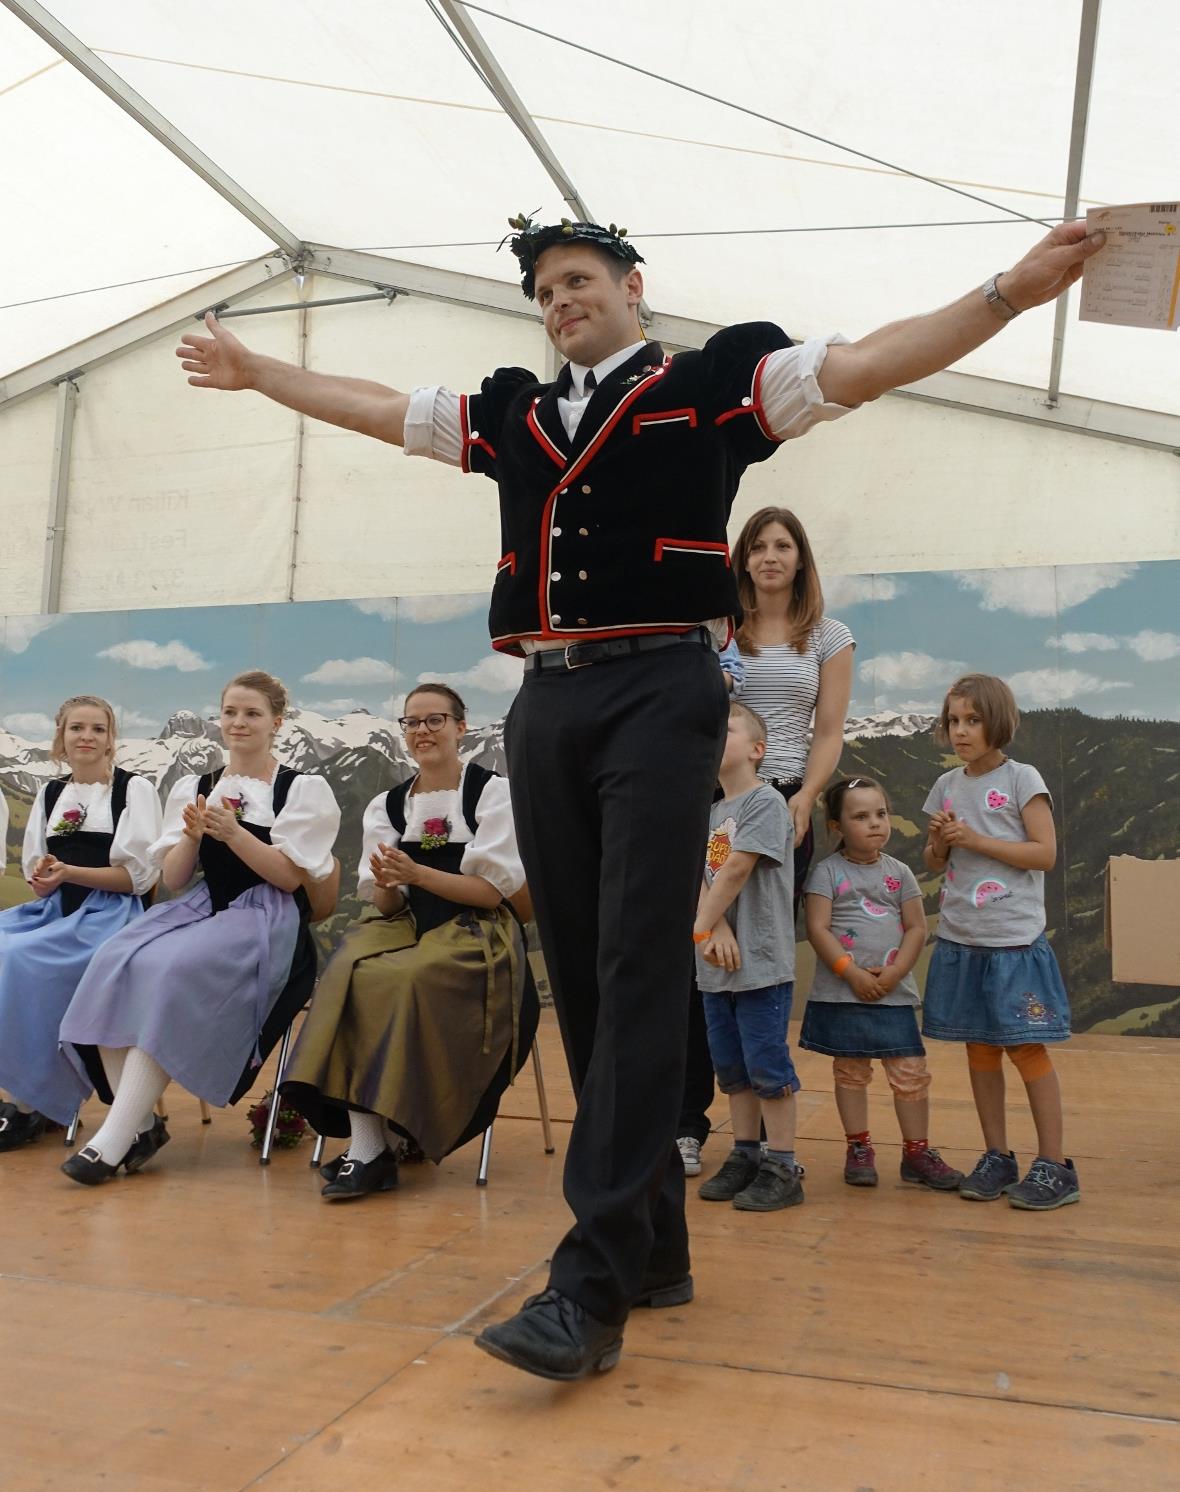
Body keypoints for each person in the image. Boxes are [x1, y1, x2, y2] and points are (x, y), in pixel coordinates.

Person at [178, 213, 1103, 1379]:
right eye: (545, 290)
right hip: (546, 701)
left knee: (635, 966)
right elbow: (379, 407)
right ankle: (656, 1246)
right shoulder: (514, 411)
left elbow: (866, 364)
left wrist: (1008, 292)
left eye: (578, 280)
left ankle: (592, 1280)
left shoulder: (708, 387)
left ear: (631, 287)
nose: (560, 300)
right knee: (592, 977)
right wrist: (260, 373)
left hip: (665, 686)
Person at [59, 671, 340, 1184]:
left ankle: (114, 1139)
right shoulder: (198, 785)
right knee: (114, 960)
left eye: (252, 713)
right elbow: (173, 878)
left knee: (170, 970)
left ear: (277, 722)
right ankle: (138, 1123)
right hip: (205, 906)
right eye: (230, 712)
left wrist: (233, 833)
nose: (238, 722)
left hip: (267, 919)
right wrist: (190, 837)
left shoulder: (301, 788)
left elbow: (288, 877)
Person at [279, 682, 537, 1201]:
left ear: (461, 727)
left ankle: (374, 1149)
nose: (422, 731)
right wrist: (393, 884)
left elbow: (489, 894)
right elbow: (388, 904)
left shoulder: (492, 793)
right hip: (411, 922)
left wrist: (417, 873)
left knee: (395, 978)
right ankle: (369, 1146)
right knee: (347, 968)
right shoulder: (388, 805)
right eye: (412, 722)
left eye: (435, 720)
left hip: (476, 933)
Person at [679, 504, 853, 1176]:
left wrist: (806, 796)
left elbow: (829, 729)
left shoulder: (829, 636)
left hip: (784, 800)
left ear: (801, 558)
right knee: (704, 958)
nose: (770, 556)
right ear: (742, 559)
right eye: (758, 546)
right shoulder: (719, 632)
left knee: (757, 958)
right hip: (713, 799)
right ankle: (698, 1125)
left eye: (783, 545)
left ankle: (772, 1147)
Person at [922, 674, 1077, 1210]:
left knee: (1026, 1048)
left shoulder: (1021, 778)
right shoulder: (945, 788)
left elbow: (1045, 854)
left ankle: (1056, 1165)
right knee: (979, 1047)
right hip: (962, 940)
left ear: (998, 722)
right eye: (953, 722)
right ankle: (997, 1156)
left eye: (972, 720)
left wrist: (977, 839)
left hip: (1013, 941)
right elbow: (934, 862)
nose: (960, 731)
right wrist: (941, 843)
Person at [0, 697, 161, 1150]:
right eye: (76, 728)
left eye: (98, 729)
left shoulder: (134, 790)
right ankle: (27, 1094)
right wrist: (44, 879)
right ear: (61, 736)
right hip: (57, 910)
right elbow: (38, 875)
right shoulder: (52, 793)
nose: (86, 737)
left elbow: (137, 878)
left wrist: (71, 873)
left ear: (111, 739)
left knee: (24, 958)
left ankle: (29, 1102)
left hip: (109, 914)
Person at [803, 776, 961, 1191]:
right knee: (851, 1072)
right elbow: (818, 928)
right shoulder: (826, 872)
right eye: (860, 816)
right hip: (843, 992)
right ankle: (858, 1148)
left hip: (893, 994)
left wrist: (893, 974)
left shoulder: (902, 872)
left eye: (881, 813)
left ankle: (916, 1153)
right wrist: (850, 972)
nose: (875, 823)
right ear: (836, 826)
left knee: (910, 1073)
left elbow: (915, 928)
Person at [693, 704, 803, 1212]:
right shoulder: (710, 811)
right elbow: (701, 880)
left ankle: (783, 1163)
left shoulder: (766, 802)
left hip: (758, 963)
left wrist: (698, 927)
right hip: (715, 965)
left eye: (727, 727)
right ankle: (745, 1153)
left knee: (767, 1064)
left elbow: (736, 869)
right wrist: (712, 928)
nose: (717, 733)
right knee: (732, 1069)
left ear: (757, 750)